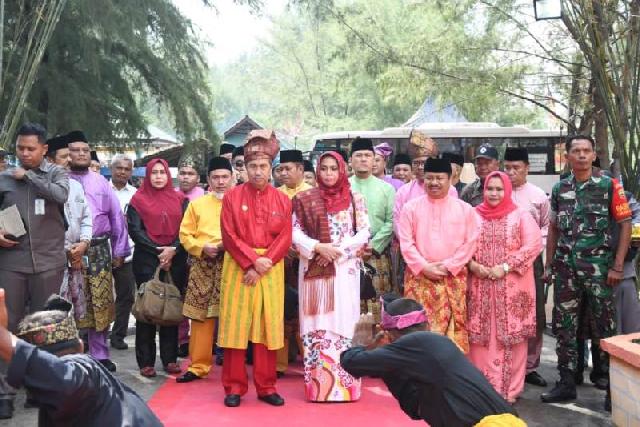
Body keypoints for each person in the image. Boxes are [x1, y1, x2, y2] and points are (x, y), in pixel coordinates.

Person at [541, 135, 631, 406]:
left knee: (605, 328)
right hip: (566, 271)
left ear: (593, 155)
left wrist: (617, 266)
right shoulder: (560, 188)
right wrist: (549, 264)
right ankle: (566, 382)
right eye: (576, 151)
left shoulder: (610, 186)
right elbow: (553, 228)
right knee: (564, 327)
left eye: (586, 151)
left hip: (599, 272)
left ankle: (613, 390)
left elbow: (625, 225)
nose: (581, 155)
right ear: (568, 156)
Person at [340, 296, 523, 427]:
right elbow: (415, 408)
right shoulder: (436, 344)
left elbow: (350, 362)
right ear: (427, 325)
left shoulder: (417, 343)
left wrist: (362, 343)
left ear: (388, 334)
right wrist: (382, 357)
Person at [0, 291, 162, 426]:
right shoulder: (63, 396)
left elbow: (60, 376)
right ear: (80, 345)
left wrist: (3, 337)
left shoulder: (82, 372)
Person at [218, 129, 292, 408]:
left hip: (270, 268)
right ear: (244, 168)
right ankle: (234, 387)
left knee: (267, 328)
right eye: (253, 166)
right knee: (235, 328)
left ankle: (266, 386)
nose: (258, 171)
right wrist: (250, 261)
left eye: (263, 166)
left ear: (271, 168)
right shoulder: (232, 197)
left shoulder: (283, 200)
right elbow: (228, 235)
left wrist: (263, 264)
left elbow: (285, 237)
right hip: (238, 266)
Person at [0, 123, 69, 419]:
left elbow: (60, 196)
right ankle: (5, 393)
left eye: (31, 149)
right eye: (20, 148)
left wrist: (28, 176)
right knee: (8, 326)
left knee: (43, 326)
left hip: (48, 262)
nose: (24, 154)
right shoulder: (4, 178)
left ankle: (39, 389)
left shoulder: (57, 174)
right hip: (11, 263)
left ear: (44, 149)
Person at [292, 151, 370, 401]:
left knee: (345, 323)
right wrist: (317, 247)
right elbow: (294, 232)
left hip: (344, 270)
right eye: (323, 168)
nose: (328, 174)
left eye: (333, 169)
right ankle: (318, 389)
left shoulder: (355, 199)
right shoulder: (303, 199)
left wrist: (337, 251)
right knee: (316, 324)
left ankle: (347, 387)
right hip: (314, 272)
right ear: (317, 171)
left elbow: (364, 232)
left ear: (342, 170)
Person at [467, 171, 542, 403]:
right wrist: (472, 265)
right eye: (490, 189)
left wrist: (506, 266)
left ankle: (508, 392)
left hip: (512, 289)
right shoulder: (472, 215)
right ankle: (480, 390)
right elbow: (461, 243)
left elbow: (534, 245)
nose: (494, 193)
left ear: (507, 190)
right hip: (479, 286)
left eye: (499, 189)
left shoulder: (521, 215)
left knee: (511, 339)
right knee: (479, 341)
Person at [397, 158, 479, 353]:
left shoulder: (465, 209)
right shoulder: (410, 208)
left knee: (452, 335)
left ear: (450, 179)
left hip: (452, 278)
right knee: (417, 329)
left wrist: (449, 266)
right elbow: (406, 243)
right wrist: (424, 266)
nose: (434, 182)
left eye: (439, 178)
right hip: (419, 278)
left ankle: (448, 369)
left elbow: (470, 243)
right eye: (429, 178)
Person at [68, 130, 130, 372]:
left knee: (100, 302)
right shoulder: (59, 180)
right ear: (66, 154)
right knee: (72, 301)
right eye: (75, 150)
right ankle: (71, 353)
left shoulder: (100, 181)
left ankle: (100, 353)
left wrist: (120, 249)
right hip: (69, 251)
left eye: (85, 150)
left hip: (99, 249)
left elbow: (116, 216)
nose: (81, 154)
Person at [127, 159, 188, 378]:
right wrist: (159, 251)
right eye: (154, 172)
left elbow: (187, 229)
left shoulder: (181, 199)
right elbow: (135, 231)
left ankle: (170, 359)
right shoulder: (137, 200)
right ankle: (146, 361)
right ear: (147, 176)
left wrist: (173, 250)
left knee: (170, 307)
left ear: (168, 175)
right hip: (146, 260)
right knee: (148, 309)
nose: (159, 176)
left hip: (176, 259)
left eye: (162, 172)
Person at [176, 157, 234, 383]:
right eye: (216, 177)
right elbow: (185, 235)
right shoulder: (197, 204)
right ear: (208, 180)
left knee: (233, 315)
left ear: (232, 178)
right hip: (203, 263)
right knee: (201, 316)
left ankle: (234, 364)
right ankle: (198, 366)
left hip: (233, 263)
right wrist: (202, 247)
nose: (221, 182)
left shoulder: (240, 202)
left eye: (225, 177)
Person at [503, 147, 550, 388]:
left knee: (534, 314)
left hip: (532, 261)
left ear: (527, 168)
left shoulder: (538, 195)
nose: (511, 172)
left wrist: (528, 251)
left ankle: (530, 365)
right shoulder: (499, 192)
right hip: (501, 264)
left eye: (516, 168)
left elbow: (546, 228)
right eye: (507, 167)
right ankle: (506, 362)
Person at [45, 134, 93, 332]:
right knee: (53, 315)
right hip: (52, 261)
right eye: (64, 156)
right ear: (49, 160)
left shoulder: (75, 186)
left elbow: (86, 218)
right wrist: (66, 250)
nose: (69, 160)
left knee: (73, 314)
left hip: (76, 257)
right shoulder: (40, 187)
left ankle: (71, 347)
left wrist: (83, 243)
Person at [275, 149, 312, 377]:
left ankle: (309, 361)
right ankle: (278, 364)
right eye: (281, 169)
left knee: (305, 312)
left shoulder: (312, 194)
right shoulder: (274, 194)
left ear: (300, 169)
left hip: (305, 259)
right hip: (279, 260)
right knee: (280, 311)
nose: (283, 173)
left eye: (288, 169)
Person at [349, 138, 395, 315]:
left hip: (377, 253)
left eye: (368, 155)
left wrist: (373, 245)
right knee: (350, 304)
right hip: (348, 254)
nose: (363, 159)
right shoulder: (343, 187)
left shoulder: (387, 189)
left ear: (374, 159)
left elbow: (391, 222)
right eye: (358, 155)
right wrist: (353, 246)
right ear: (350, 160)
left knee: (378, 304)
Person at [175, 153, 205, 356]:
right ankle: (182, 339)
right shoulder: (171, 195)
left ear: (198, 177)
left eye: (190, 173)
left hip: (201, 255)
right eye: (183, 173)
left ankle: (207, 341)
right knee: (180, 297)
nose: (186, 177)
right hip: (177, 254)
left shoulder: (205, 197)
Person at [108, 154, 137, 351]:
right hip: (102, 251)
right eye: (119, 168)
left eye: (127, 169)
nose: (122, 172)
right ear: (111, 169)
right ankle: (92, 336)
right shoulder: (101, 190)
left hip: (128, 253)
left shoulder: (135, 194)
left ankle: (118, 335)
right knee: (98, 297)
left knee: (125, 296)